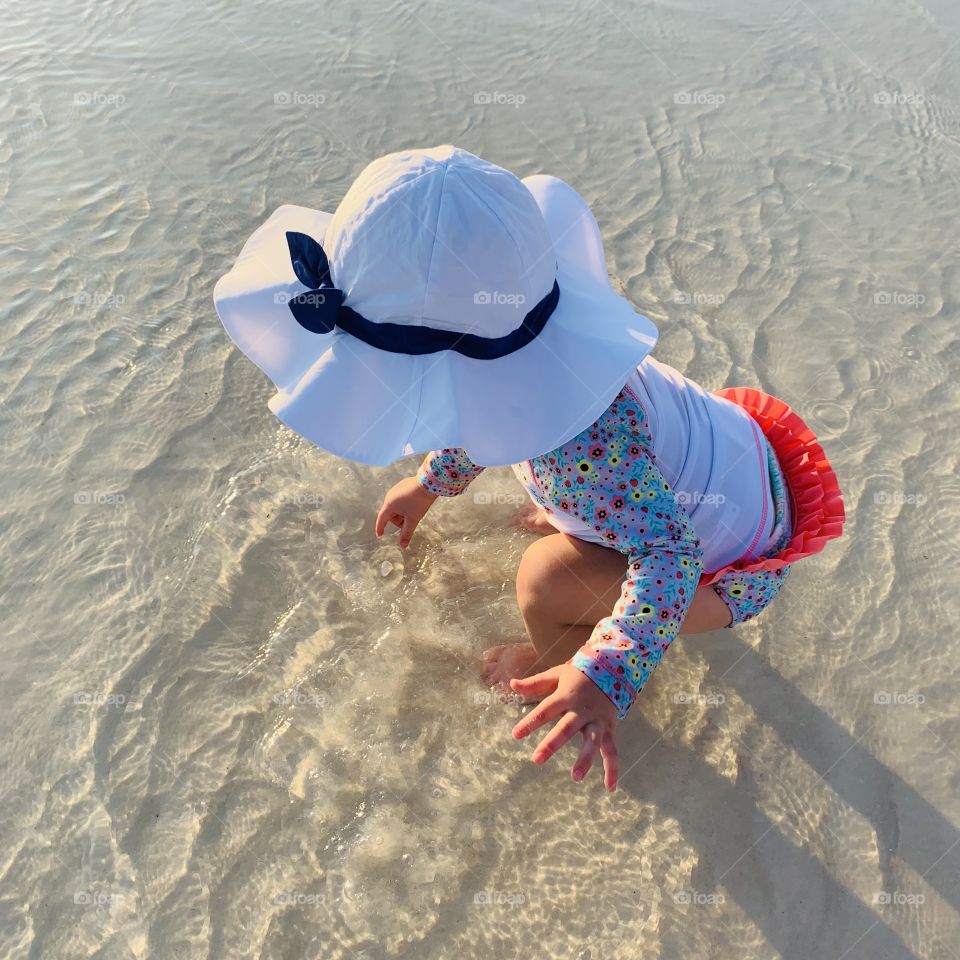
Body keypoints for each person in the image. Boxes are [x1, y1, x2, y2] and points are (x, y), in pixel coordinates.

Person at [215, 145, 844, 792]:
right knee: (597, 507)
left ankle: (555, 658)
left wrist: (604, 673)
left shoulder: (584, 453)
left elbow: (671, 555)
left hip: (729, 570)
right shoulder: (547, 345)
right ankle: (593, 539)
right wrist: (430, 486)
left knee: (542, 580)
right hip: (739, 474)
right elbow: (487, 408)